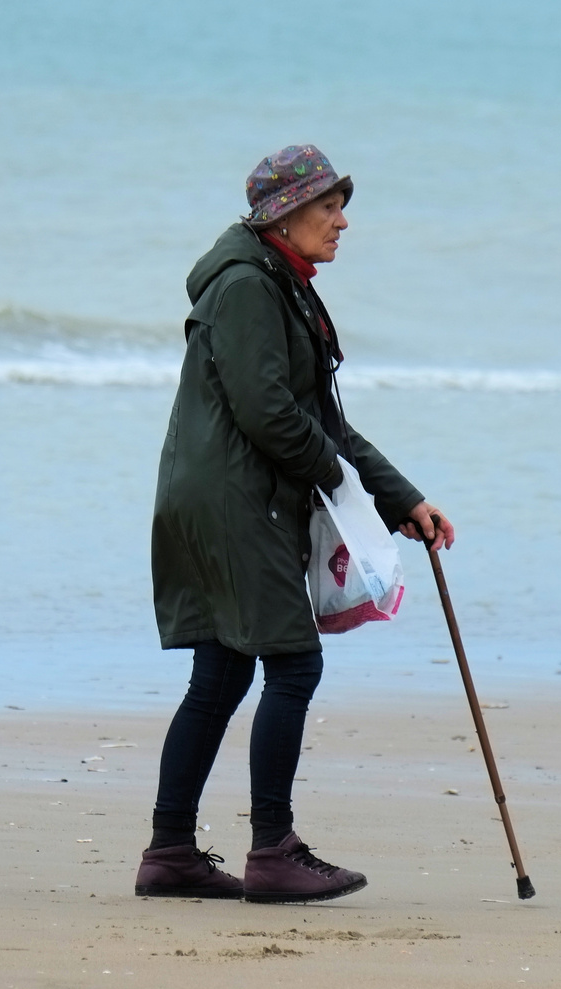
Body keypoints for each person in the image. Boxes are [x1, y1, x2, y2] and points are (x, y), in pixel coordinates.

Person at [137, 145, 455, 904]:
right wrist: (342, 486)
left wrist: (398, 497)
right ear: (284, 214)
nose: (342, 222)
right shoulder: (249, 285)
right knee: (292, 663)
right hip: (235, 504)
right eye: (328, 208)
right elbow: (270, 416)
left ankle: (170, 853)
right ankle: (272, 852)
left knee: (220, 673)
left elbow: (319, 422)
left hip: (219, 495)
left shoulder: (276, 282)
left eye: (341, 207)